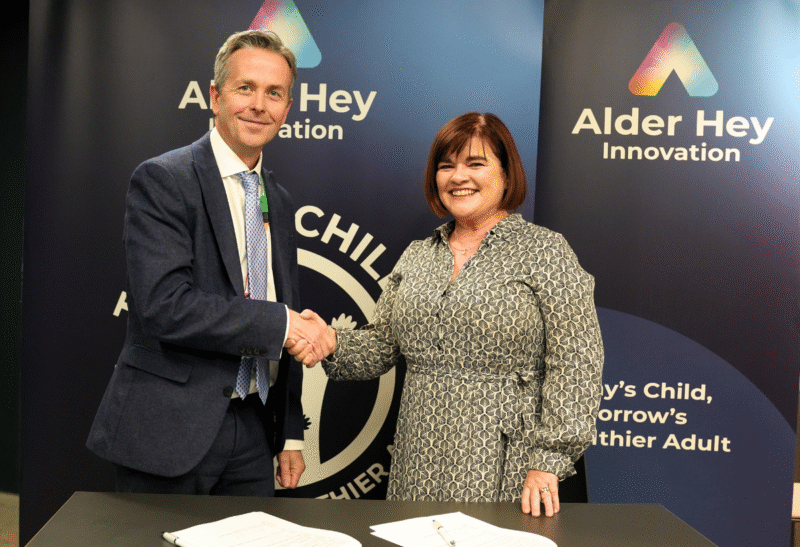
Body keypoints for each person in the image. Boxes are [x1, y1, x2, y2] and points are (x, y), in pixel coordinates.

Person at [288, 112, 603, 516]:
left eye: (475, 163)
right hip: (418, 456)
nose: (458, 177)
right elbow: (381, 346)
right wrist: (331, 341)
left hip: (509, 463)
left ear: (507, 174)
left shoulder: (545, 252)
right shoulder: (418, 255)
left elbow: (578, 362)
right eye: (446, 166)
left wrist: (549, 461)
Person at [87, 30, 332, 496]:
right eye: (246, 88)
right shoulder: (164, 179)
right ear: (216, 97)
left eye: (274, 93)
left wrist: (290, 433)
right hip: (171, 431)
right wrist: (285, 325)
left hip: (256, 431)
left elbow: (283, 305)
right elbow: (165, 306)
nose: (259, 105)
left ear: (287, 109)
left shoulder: (276, 200)